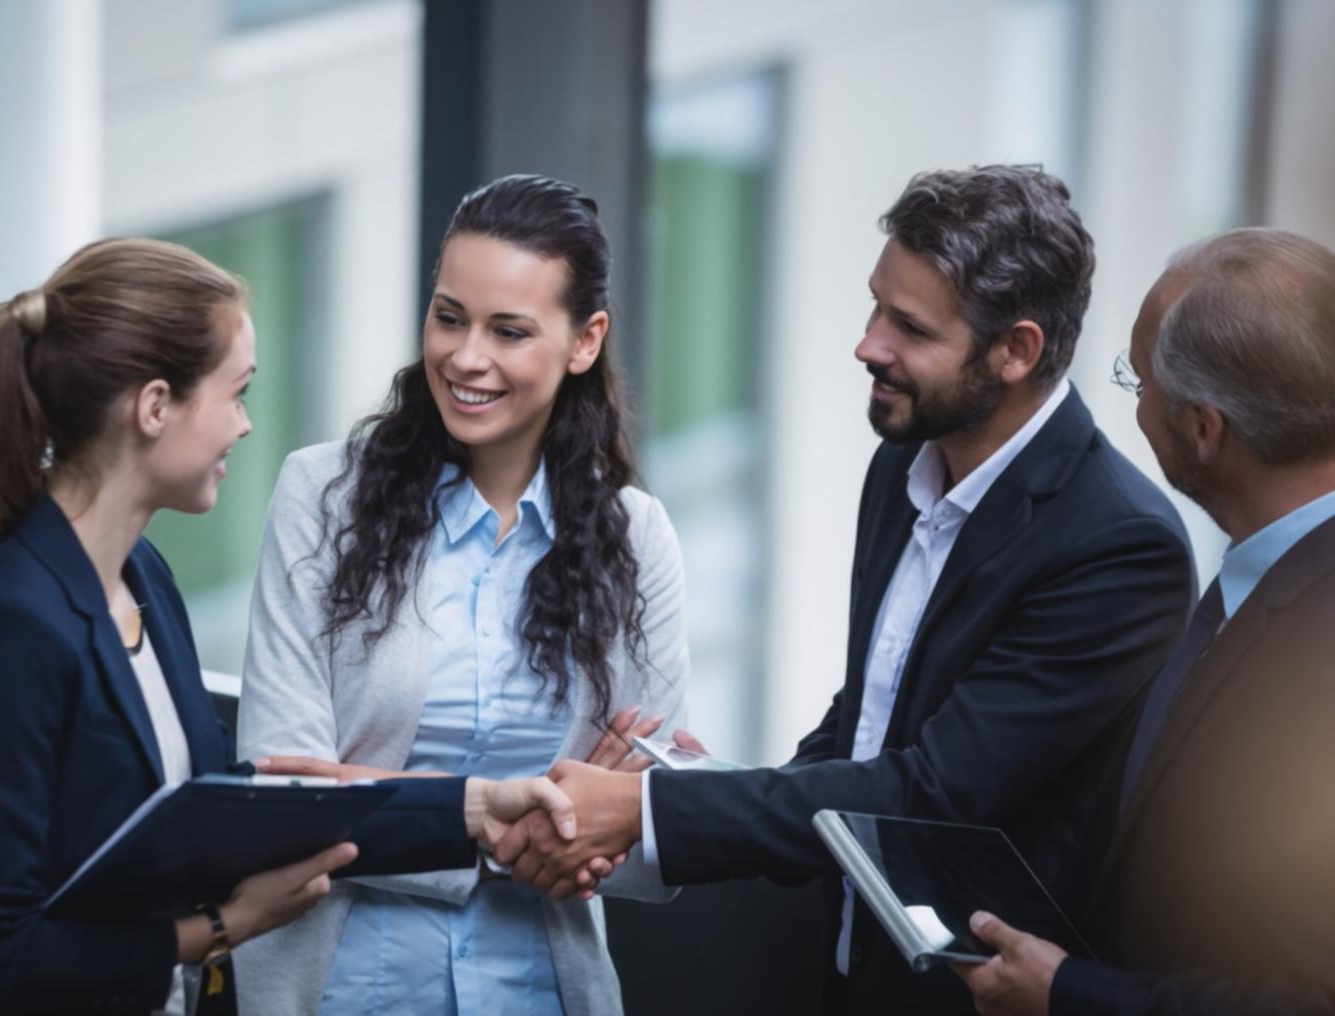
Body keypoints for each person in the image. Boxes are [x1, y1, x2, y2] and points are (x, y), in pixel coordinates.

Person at [495, 165, 1197, 1014]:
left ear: (1016, 351)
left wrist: (655, 811)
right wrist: (704, 783)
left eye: (909, 327)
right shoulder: (904, 460)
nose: (869, 343)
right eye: (877, 306)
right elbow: (869, 719)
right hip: (847, 971)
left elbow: (928, 797)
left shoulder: (1119, 546)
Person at [0, 238, 579, 1016]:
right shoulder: (4, 620)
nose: (243, 426)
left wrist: (476, 808)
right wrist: (222, 927)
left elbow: (220, 811)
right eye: (235, 393)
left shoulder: (142, 575)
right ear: (153, 407)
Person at [234, 174, 690, 1016]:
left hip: (544, 992)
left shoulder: (637, 538)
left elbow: (646, 836)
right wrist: (503, 818)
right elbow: (284, 801)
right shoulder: (321, 497)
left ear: (585, 341)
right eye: (449, 317)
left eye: (509, 331)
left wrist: (384, 794)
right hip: (340, 988)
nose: (465, 357)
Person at [956, 228, 1335, 1015]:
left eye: (1139, 381)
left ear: (1204, 429)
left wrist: (1069, 993)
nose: (1134, 403)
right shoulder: (1268, 577)